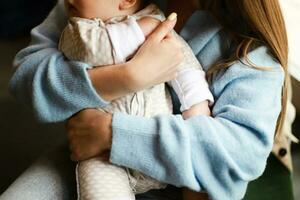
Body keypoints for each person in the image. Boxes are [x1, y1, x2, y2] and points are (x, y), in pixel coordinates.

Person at [3, 0, 290, 199]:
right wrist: (124, 78)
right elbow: (25, 78)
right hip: (94, 160)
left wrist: (112, 134)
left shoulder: (249, 48)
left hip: (187, 188)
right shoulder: (90, 4)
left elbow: (241, 151)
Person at [59, 0, 213, 199]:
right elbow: (91, 51)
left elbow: (185, 65)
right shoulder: (79, 28)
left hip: (155, 143)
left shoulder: (158, 21)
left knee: (198, 172)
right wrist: (141, 30)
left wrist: (197, 110)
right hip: (102, 153)